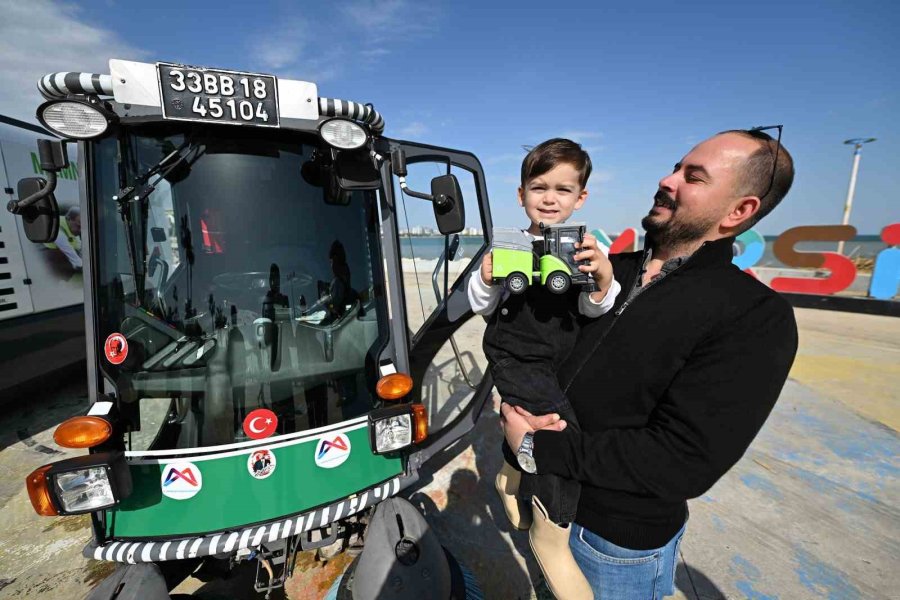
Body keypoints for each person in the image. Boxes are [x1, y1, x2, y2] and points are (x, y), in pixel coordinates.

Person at [501, 128, 799, 599]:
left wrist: (539, 447)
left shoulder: (755, 315)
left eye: (693, 177)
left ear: (739, 211)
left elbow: (684, 460)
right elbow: (536, 348)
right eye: (676, 167)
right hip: (542, 497)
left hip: (612, 544)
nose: (667, 179)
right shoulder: (603, 270)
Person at [467, 138, 620, 599]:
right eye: (539, 188)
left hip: (559, 358)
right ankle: (551, 531)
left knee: (534, 417)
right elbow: (480, 305)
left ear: (580, 198)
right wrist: (484, 279)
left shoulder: (586, 247)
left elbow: (593, 309)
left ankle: (510, 474)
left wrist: (604, 279)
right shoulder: (507, 245)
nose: (550, 199)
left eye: (562, 189)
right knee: (559, 432)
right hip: (516, 355)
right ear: (521, 195)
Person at [44, 205, 82, 270]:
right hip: (44, 254)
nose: (81, 230)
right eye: (78, 226)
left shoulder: (72, 228)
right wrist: (81, 264)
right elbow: (68, 250)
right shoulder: (57, 227)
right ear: (69, 219)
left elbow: (79, 247)